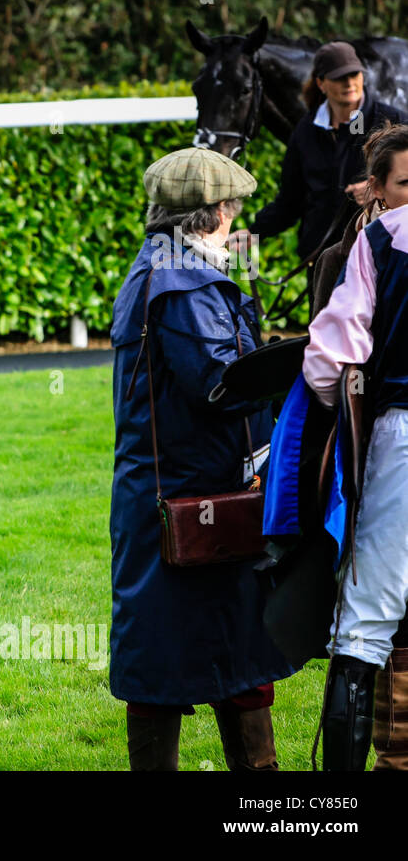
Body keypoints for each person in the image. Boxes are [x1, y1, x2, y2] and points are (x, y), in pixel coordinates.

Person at [110, 147, 296, 770]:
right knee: (171, 657)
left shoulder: (164, 267)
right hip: (190, 500)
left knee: (224, 647)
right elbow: (219, 382)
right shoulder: (181, 282)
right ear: (213, 212)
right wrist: (307, 362)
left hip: (193, 495)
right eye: (233, 208)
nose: (238, 218)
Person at [303, 122, 408, 770]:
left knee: (364, 627)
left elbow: (328, 359)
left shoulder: (376, 239)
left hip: (401, 435)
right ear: (376, 186)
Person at [229, 41, 408, 304]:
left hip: (382, 259)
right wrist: (254, 231)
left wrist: (378, 191)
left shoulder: (394, 121)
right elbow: (290, 201)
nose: (349, 83)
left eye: (354, 74)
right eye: (339, 77)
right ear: (321, 83)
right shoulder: (305, 131)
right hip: (323, 264)